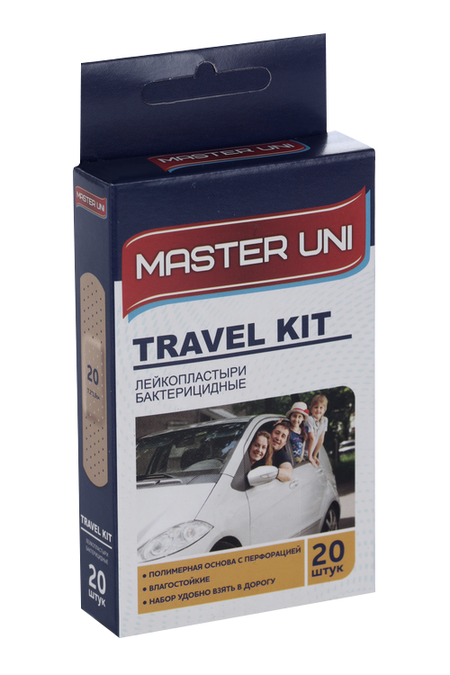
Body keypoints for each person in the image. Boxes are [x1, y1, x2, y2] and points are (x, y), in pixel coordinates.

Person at [306, 394, 329, 467]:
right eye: (316, 407)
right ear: (311, 410)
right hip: (306, 452)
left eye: (321, 407)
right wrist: (310, 457)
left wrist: (314, 455)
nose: (318, 410)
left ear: (324, 410)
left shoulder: (325, 420)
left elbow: (321, 439)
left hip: (312, 452)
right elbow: (312, 438)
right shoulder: (309, 420)